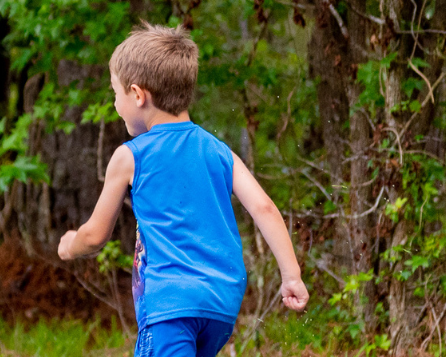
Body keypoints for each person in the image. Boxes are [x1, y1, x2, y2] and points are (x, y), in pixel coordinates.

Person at [55, 23, 309, 357]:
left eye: (116, 94)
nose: (116, 105)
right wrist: (291, 275)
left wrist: (70, 244)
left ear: (137, 94)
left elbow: (95, 236)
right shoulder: (218, 150)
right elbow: (264, 207)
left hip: (170, 305)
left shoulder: (130, 156)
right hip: (221, 305)